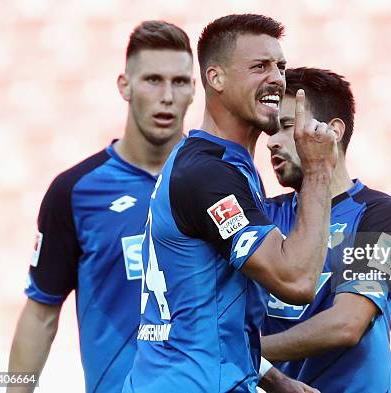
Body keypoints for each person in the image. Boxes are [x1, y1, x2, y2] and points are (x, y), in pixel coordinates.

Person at [122, 14, 336, 393]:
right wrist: (318, 172)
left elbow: (210, 310)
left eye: (280, 66)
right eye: (260, 67)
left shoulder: (217, 163)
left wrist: (275, 380)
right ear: (215, 78)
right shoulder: (209, 175)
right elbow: (296, 280)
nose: (276, 78)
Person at [7, 20, 195, 393]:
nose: (167, 96)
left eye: (180, 82)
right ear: (124, 86)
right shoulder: (75, 192)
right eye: (153, 80)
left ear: (194, 90)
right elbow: (41, 314)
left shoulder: (220, 181)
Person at [261, 67, 391, 393]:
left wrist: (250, 351)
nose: (272, 142)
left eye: (286, 126)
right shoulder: (263, 216)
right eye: (270, 131)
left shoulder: (381, 217)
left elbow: (348, 323)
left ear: (332, 131)